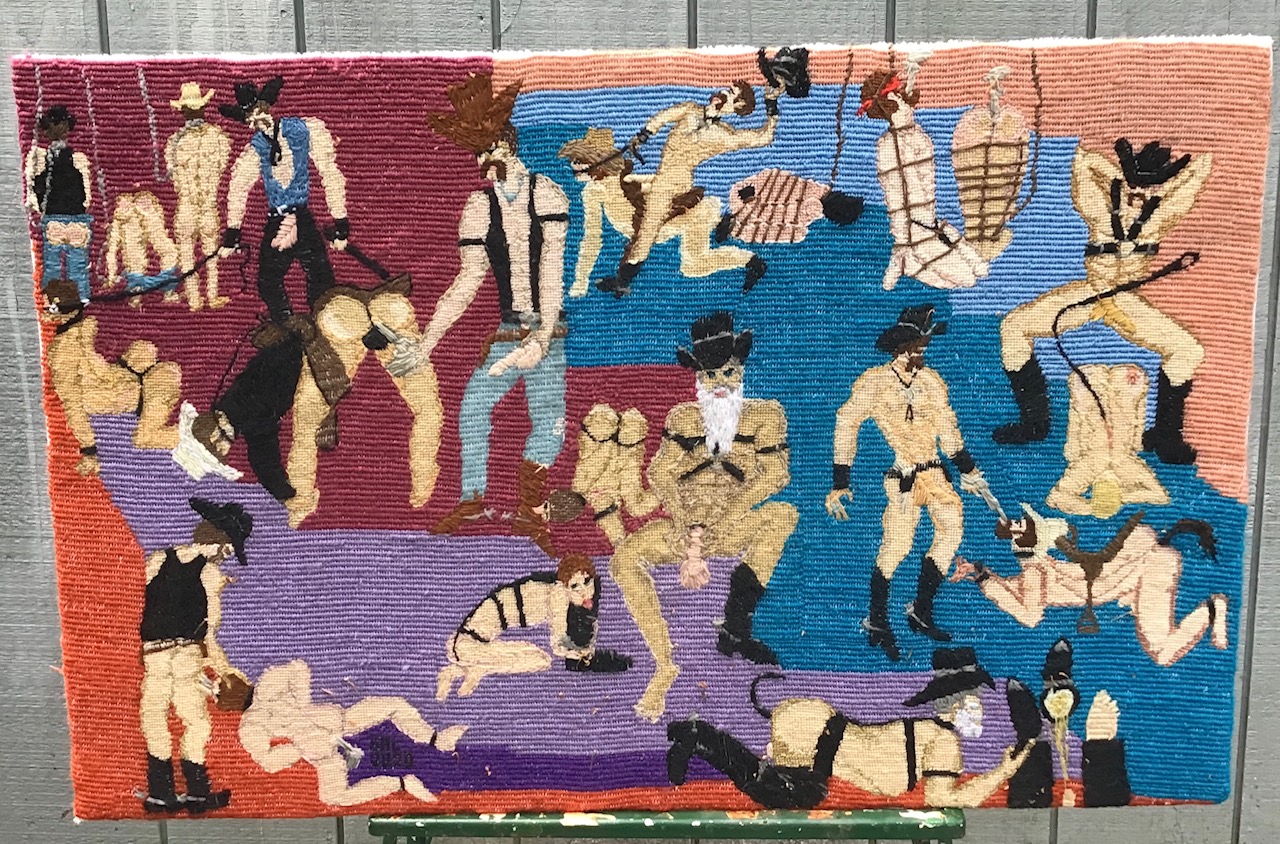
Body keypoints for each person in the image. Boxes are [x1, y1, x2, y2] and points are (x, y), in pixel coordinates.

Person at [611, 312, 797, 720]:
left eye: (729, 373)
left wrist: (729, 516)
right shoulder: (683, 418)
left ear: (741, 371)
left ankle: (736, 624)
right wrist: (684, 525)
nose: (720, 384)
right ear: (699, 378)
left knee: (782, 516)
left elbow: (776, 475)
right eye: (711, 376)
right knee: (623, 559)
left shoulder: (765, 416)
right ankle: (664, 662)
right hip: (682, 523)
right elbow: (660, 472)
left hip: (732, 524)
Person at [994, 139, 1211, 465]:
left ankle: (1166, 434)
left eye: (1145, 190)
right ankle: (1035, 421)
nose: (1136, 196)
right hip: (1091, 293)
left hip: (1125, 301)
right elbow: (1082, 161)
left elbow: (1201, 170)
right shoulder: (1101, 207)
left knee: (1188, 350)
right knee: (1013, 326)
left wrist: (1160, 184)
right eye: (1132, 187)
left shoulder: (1159, 217)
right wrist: (1121, 175)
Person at [423, 74, 570, 553]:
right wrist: (427, 341)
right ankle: (473, 498)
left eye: (486, 152)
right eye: (476, 155)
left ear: (507, 145)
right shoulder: (479, 207)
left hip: (548, 329)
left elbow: (552, 274)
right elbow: (467, 281)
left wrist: (542, 338)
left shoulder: (547, 195)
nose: (480, 165)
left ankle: (531, 509)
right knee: (473, 406)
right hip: (509, 330)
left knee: (548, 419)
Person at [666, 648, 1034, 809]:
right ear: (954, 705)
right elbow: (942, 799)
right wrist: (1004, 772)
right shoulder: (943, 743)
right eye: (975, 704)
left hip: (817, 728)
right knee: (787, 794)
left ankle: (701, 738)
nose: (982, 714)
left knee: (786, 790)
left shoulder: (930, 732)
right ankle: (701, 736)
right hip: (817, 738)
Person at [826, 305, 989, 660]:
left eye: (923, 347)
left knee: (951, 530)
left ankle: (921, 610)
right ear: (900, 348)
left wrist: (968, 470)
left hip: (935, 471)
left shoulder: (932, 382)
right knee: (898, 545)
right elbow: (847, 421)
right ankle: (878, 619)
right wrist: (841, 479)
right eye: (916, 347)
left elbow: (948, 429)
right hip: (904, 475)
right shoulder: (874, 382)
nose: (921, 353)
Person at [952, 504, 1227, 667]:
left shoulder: (1036, 571)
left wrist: (983, 578)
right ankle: (1212, 609)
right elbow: (1016, 590)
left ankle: (1214, 608)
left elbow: (1029, 615)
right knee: (1161, 652)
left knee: (1162, 653)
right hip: (1141, 567)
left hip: (1146, 569)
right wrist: (981, 575)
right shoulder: (1039, 569)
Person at [284, 274, 444, 528]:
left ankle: (300, 498)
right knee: (428, 408)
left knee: (308, 417)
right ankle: (425, 489)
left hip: (340, 309)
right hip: (389, 307)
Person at [598, 81, 781, 297]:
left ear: (738, 105)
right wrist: (644, 134)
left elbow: (763, 137)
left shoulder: (725, 135)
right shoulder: (690, 109)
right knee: (626, 184)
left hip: (673, 184)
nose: (722, 91)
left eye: (731, 93)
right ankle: (721, 225)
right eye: (726, 88)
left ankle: (623, 280)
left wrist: (771, 105)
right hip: (660, 176)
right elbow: (663, 117)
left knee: (648, 228)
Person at [139, 498, 252, 815]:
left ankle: (161, 793)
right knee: (196, 722)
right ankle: (198, 793)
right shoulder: (210, 574)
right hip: (186, 654)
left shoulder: (158, 559)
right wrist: (225, 672)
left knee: (154, 716)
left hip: (153, 653)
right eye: (228, 549)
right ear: (218, 541)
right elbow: (209, 635)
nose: (226, 555)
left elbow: (148, 606)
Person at [558, 127, 758, 297]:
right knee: (692, 263)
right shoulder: (596, 190)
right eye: (574, 159)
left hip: (688, 216)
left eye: (579, 159)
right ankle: (729, 229)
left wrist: (581, 282)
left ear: (596, 161)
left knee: (693, 264)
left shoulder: (619, 183)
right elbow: (592, 237)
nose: (573, 164)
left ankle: (749, 258)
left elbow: (593, 238)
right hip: (669, 223)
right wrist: (581, 280)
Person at [240, 659, 467, 806]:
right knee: (333, 796)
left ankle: (436, 741)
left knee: (393, 705)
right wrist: (300, 745)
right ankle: (402, 783)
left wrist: (302, 709)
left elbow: (298, 668)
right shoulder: (251, 723)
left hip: (334, 723)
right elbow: (268, 761)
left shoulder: (265, 691)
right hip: (321, 746)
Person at [219, 77, 348, 321]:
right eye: (250, 119)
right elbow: (238, 187)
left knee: (315, 277)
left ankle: (315, 325)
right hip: (282, 220)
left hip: (295, 218)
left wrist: (340, 220)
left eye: (258, 112)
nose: (256, 121)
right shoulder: (256, 147)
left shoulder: (301, 130)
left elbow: (329, 170)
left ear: (268, 107)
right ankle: (291, 326)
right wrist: (233, 231)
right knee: (273, 281)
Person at [859, 69, 989, 291]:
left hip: (930, 223)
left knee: (980, 270)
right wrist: (905, 239)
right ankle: (906, 260)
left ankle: (911, 257)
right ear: (890, 104)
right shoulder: (892, 145)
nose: (909, 105)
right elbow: (898, 195)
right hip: (917, 232)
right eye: (900, 100)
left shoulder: (918, 135)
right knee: (968, 279)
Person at [436, 554, 631, 700]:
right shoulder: (558, 595)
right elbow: (558, 644)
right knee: (541, 661)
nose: (584, 592)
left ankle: (466, 670)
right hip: (468, 644)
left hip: (466, 643)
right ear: (564, 585)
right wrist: (580, 655)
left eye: (587, 582)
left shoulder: (554, 588)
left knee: (532, 656)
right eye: (575, 586)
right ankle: (475, 670)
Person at [42, 279, 181, 475]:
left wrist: (89, 449)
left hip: (138, 387)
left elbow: (73, 400)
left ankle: (196, 436)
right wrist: (89, 448)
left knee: (146, 435)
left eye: (47, 306)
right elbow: (73, 401)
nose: (43, 312)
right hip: (136, 388)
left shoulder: (73, 341)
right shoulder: (79, 336)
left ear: (58, 306)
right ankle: (195, 436)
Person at [167, 82, 232, 310]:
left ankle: (198, 298)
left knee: (195, 252)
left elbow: (172, 173)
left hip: (192, 204)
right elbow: (222, 164)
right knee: (204, 251)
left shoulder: (175, 142)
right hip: (202, 203)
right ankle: (205, 297)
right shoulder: (218, 137)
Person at [25, 106, 94, 302]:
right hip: (68, 216)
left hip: (62, 216)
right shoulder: (45, 158)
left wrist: (37, 206)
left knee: (61, 260)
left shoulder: (68, 159)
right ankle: (72, 297)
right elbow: (86, 190)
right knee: (66, 259)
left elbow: (33, 187)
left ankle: (63, 298)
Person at [103, 190, 181, 300]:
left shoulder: (152, 220)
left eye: (146, 201)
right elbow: (113, 247)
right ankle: (139, 290)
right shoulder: (125, 221)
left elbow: (164, 245)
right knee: (134, 257)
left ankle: (160, 288)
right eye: (140, 202)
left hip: (154, 241)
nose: (144, 204)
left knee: (168, 252)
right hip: (134, 254)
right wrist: (112, 273)